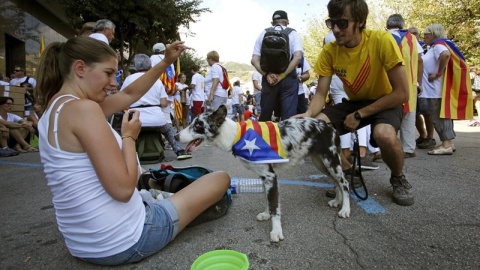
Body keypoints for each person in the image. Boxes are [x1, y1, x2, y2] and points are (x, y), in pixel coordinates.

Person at [34, 37, 230, 265]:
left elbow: (129, 95)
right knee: (219, 179)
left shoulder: (53, 110)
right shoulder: (85, 109)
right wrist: (129, 137)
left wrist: (165, 62)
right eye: (108, 73)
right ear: (80, 68)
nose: (114, 83)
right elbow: (124, 190)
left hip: (81, 244)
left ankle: (159, 199)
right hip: (127, 239)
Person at [295, 0, 413, 206]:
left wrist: (361, 114)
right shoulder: (330, 50)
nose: (336, 29)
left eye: (342, 23)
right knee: (315, 129)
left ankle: (398, 178)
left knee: (383, 134)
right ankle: (350, 172)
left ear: (360, 22)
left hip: (386, 100)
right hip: (356, 102)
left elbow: (402, 93)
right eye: (331, 23)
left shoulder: (382, 40)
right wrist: (307, 115)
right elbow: (320, 95)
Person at [121, 54, 191, 160]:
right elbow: (164, 103)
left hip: (135, 119)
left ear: (135, 66)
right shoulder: (156, 81)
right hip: (156, 119)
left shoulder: (129, 79)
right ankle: (179, 151)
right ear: (150, 66)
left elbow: (121, 99)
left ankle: (125, 154)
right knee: (168, 130)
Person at [422, 24, 473, 154]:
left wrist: (438, 73)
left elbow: (445, 55)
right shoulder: (438, 45)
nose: (424, 37)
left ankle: (446, 145)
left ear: (433, 34)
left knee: (437, 117)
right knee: (443, 116)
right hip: (437, 90)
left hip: (435, 90)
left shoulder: (439, 45)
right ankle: (449, 143)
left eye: (426, 34)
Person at [251, 10, 303, 121]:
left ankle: (263, 136)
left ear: (272, 22)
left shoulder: (264, 33)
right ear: (287, 22)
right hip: (288, 78)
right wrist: (282, 76)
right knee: (288, 119)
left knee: (265, 115)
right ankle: (285, 137)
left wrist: (266, 75)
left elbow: (254, 60)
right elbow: (298, 57)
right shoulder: (293, 34)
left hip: (269, 79)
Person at [386, 14, 424, 158]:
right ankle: (408, 148)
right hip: (410, 82)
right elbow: (420, 61)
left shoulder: (384, 37)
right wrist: (419, 82)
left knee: (389, 114)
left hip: (389, 83)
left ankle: (389, 147)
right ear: (402, 25)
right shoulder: (412, 38)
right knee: (409, 115)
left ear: (387, 25)